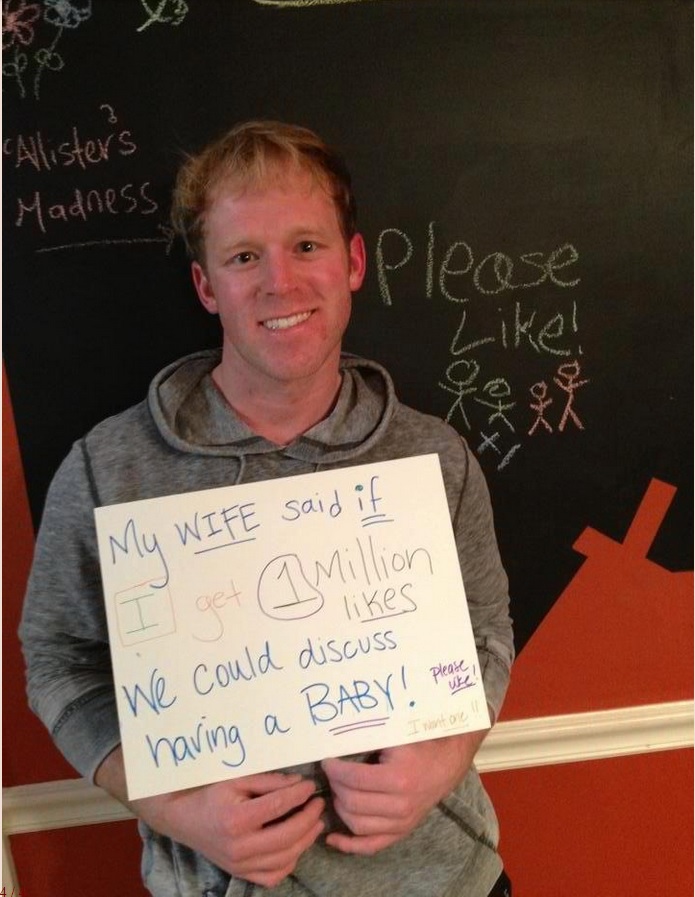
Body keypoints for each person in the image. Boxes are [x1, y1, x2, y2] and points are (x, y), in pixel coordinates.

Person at [20, 120, 514, 897]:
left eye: (306, 246)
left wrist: (440, 763)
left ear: (353, 262)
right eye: (244, 257)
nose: (279, 283)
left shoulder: (433, 456)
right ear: (206, 286)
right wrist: (174, 808)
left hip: (446, 879)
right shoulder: (109, 468)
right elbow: (58, 660)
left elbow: (484, 630)